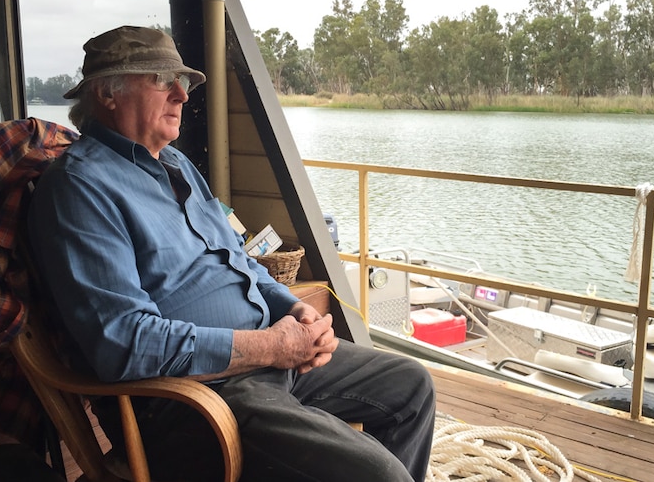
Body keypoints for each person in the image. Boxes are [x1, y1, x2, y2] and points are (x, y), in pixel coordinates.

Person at [28, 25, 435, 481]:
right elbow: (124, 344)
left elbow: (239, 263)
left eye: (182, 82)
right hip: (195, 398)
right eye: (163, 81)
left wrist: (295, 310)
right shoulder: (81, 189)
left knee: (411, 385)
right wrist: (272, 346)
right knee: (377, 473)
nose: (182, 95)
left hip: (268, 361)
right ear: (107, 93)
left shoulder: (177, 165)